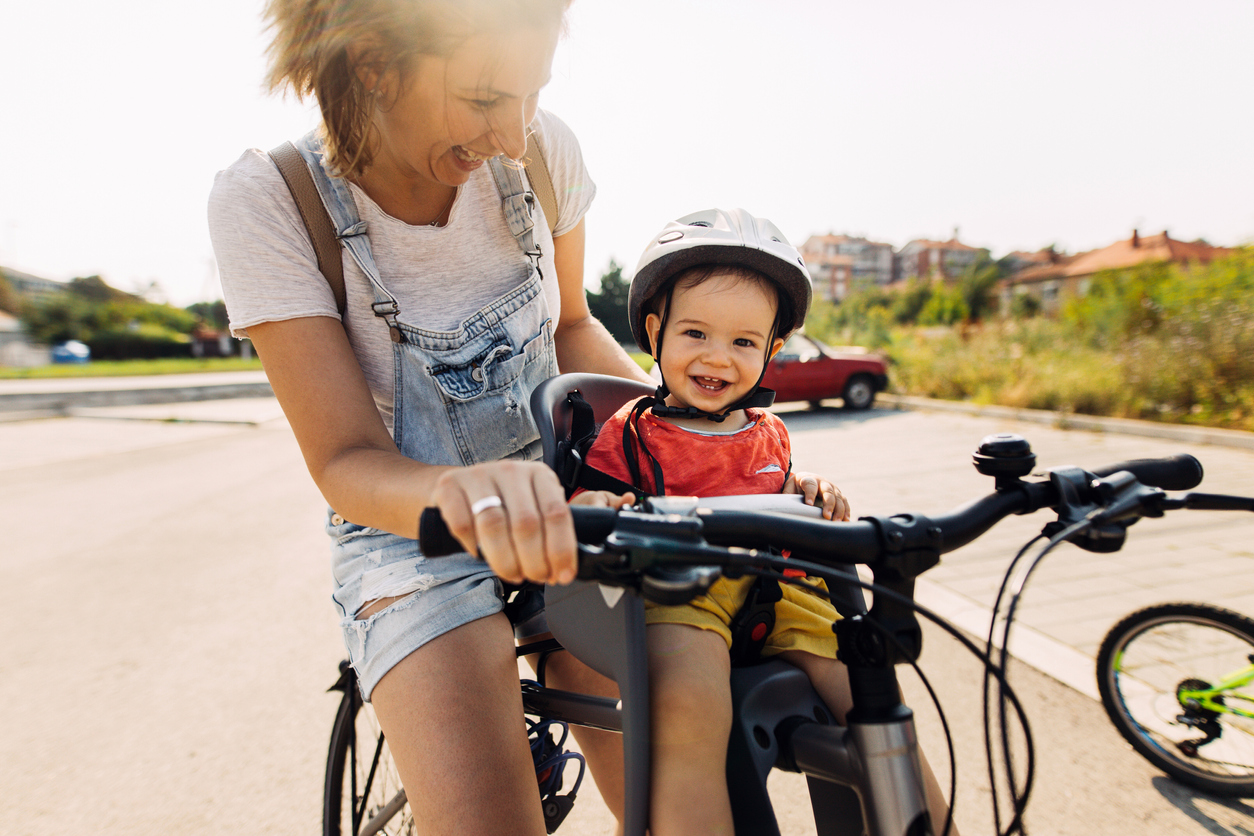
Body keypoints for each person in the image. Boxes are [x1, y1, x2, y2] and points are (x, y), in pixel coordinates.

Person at [208, 2, 650, 834]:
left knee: (676, 794)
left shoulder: (543, 155)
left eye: (534, 93)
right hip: (411, 533)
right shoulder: (271, 199)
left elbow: (572, 325)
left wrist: (689, 441)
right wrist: (474, 497)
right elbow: (344, 457)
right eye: (486, 99)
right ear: (371, 61)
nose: (516, 135)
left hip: (569, 502)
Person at [577, 208, 955, 835]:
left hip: (785, 593)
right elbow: (590, 502)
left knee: (875, 696)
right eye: (695, 333)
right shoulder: (635, 430)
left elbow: (783, 491)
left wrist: (814, 489)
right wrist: (594, 509)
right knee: (686, 708)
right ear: (654, 329)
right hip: (684, 595)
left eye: (744, 342)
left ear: (773, 350)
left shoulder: (771, 430)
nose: (717, 358)